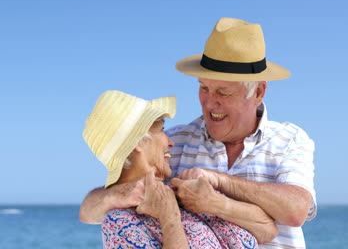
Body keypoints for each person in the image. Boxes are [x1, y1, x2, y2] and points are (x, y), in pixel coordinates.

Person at [80, 17, 317, 248]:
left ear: (258, 93)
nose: (210, 103)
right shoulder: (177, 141)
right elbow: (93, 209)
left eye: (223, 92)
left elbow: (296, 211)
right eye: (204, 88)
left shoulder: (289, 140)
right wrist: (118, 195)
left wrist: (218, 186)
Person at [82, 90, 276, 248]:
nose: (170, 141)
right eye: (161, 130)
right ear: (137, 143)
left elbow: (268, 230)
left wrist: (216, 203)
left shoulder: (186, 191)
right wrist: (169, 218)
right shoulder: (119, 223)